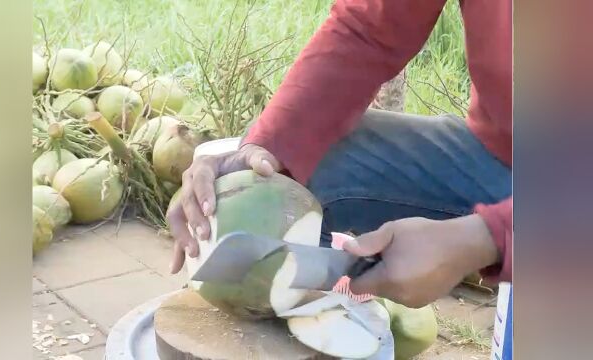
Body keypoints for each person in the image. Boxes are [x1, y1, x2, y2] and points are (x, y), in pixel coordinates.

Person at [168, 0, 512, 358]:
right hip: (505, 151)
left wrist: (488, 237)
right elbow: (372, 27)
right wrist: (267, 148)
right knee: (292, 162)